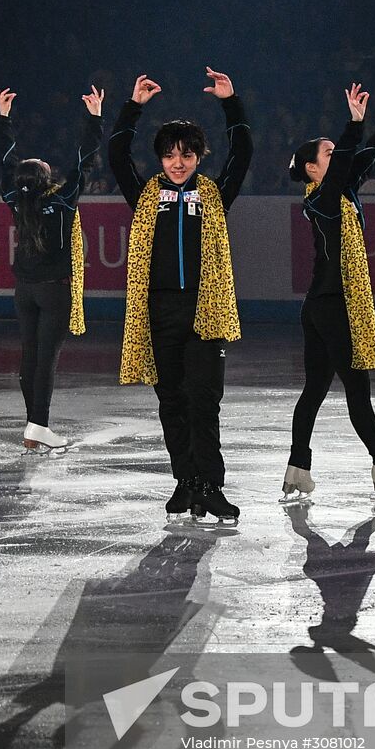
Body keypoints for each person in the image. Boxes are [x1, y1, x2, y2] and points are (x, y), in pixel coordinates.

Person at [108, 67, 252, 524]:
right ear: (160, 158)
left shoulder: (213, 194)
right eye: (170, 155)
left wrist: (231, 103)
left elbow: (243, 154)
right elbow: (116, 155)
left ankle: (210, 486)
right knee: (170, 400)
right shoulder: (146, 194)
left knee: (204, 402)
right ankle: (185, 482)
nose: (178, 162)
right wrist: (133, 107)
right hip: (159, 311)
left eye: (187, 154)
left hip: (205, 311)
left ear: (198, 157)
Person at [283, 83, 375, 502]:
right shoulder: (320, 199)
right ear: (311, 169)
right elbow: (347, 159)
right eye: (325, 154)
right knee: (357, 389)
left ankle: (297, 468)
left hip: (324, 304)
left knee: (315, 390)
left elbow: (364, 159)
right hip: (331, 305)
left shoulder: (338, 190)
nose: (335, 157)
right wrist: (352, 123)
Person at [0, 84, 103, 452]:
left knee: (30, 356)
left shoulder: (14, 201)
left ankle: (33, 426)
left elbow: (4, 161)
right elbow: (84, 158)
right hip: (54, 289)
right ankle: (38, 424)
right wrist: (94, 117)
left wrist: (3, 119)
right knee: (46, 360)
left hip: (24, 289)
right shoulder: (62, 199)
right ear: (45, 179)